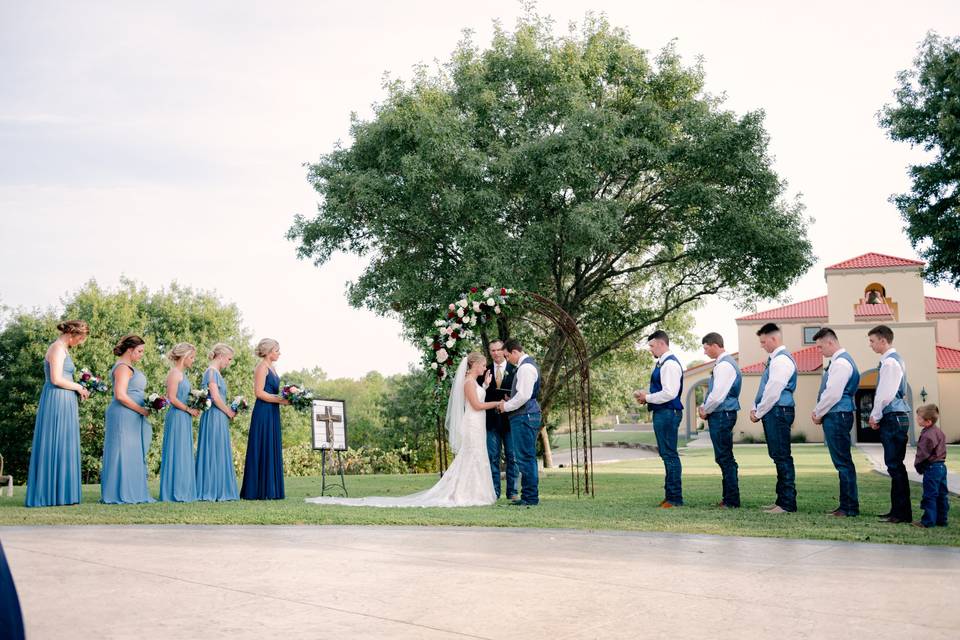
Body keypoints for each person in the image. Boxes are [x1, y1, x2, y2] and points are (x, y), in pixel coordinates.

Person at [305, 351, 498, 507]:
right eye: (482, 364)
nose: (484, 367)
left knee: (477, 456)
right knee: (472, 456)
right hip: (473, 423)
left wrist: (487, 386)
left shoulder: (475, 383)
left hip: (477, 423)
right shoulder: (468, 383)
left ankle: (474, 491)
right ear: (473, 365)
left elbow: (478, 400)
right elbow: (477, 405)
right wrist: (497, 403)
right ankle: (464, 494)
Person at [25, 320, 90, 507]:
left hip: (65, 400)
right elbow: (55, 379)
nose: (80, 342)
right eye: (80, 338)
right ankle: (50, 494)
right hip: (56, 400)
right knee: (55, 441)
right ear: (72, 334)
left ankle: (63, 493)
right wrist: (78, 386)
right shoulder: (57, 348)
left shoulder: (63, 349)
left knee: (64, 443)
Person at [811, 328, 861, 517]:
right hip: (840, 413)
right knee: (843, 461)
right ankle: (846, 505)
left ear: (830, 342)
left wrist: (818, 412)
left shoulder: (840, 364)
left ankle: (848, 507)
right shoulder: (842, 361)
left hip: (837, 414)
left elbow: (833, 394)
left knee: (842, 462)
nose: (819, 350)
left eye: (820, 346)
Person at [101, 334, 155, 504]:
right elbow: (120, 395)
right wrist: (141, 410)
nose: (141, 354)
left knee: (132, 452)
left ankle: (132, 489)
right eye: (139, 351)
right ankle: (119, 492)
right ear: (130, 350)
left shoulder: (128, 366)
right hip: (123, 414)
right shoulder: (123, 367)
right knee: (121, 452)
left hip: (132, 415)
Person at [749, 323, 797, 514]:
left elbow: (773, 390)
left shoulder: (781, 361)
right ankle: (781, 500)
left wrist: (759, 411)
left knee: (782, 456)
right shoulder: (775, 359)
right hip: (775, 411)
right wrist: (756, 407)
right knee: (778, 456)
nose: (762, 345)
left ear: (774, 339)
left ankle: (787, 503)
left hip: (777, 411)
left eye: (763, 342)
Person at [867, 324, 912, 523]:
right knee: (895, 466)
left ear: (883, 340)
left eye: (872, 341)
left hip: (892, 417)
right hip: (897, 416)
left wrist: (875, 416)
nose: (871, 345)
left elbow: (885, 395)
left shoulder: (890, 364)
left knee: (895, 466)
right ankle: (897, 511)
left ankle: (901, 514)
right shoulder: (895, 360)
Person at [635, 330, 684, 508]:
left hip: (668, 413)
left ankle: (674, 498)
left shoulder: (669, 364)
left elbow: (669, 393)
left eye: (652, 346)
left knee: (670, 455)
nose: (650, 349)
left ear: (662, 344)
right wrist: (646, 396)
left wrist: (647, 397)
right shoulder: (662, 363)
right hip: (664, 412)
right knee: (666, 455)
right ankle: (670, 495)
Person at [241, 338, 290, 500]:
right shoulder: (261, 367)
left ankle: (271, 489)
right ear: (269, 352)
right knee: (262, 445)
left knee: (271, 445)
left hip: (273, 411)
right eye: (277, 350)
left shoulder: (273, 368)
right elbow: (259, 393)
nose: (279, 353)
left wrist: (287, 397)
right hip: (263, 412)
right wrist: (281, 400)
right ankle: (257, 490)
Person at [697, 332, 741, 509]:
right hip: (723, 413)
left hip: (722, 414)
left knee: (724, 457)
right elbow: (714, 393)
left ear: (715, 345)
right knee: (724, 457)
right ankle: (729, 498)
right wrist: (704, 406)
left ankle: (731, 500)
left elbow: (717, 396)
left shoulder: (724, 365)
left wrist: (705, 410)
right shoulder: (724, 364)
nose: (705, 352)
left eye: (706, 348)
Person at [498, 339, 543, 506]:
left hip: (524, 416)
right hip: (526, 415)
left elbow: (524, 396)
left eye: (507, 356)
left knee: (525, 457)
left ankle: (530, 497)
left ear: (515, 352)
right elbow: (524, 394)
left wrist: (506, 406)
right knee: (526, 457)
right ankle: (528, 496)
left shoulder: (525, 368)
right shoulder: (526, 367)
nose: (507, 359)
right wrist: (511, 399)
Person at [195, 343, 240, 502]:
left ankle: (218, 487)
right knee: (213, 449)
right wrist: (228, 411)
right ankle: (211, 489)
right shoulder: (211, 372)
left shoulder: (216, 373)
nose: (229, 362)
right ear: (220, 356)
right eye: (228, 359)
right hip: (214, 416)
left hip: (218, 416)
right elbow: (214, 396)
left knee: (218, 449)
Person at [159, 342, 200, 502]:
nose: (193, 360)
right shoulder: (175, 373)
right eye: (192, 357)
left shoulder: (182, 374)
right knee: (177, 450)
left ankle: (184, 488)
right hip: (177, 416)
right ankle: (174, 491)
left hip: (184, 416)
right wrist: (188, 409)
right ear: (184, 357)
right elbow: (171, 397)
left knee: (183, 450)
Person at [482, 339, 518, 500]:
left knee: (512, 456)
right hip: (490, 421)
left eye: (498, 350)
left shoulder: (515, 370)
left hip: (510, 421)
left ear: (504, 350)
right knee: (492, 457)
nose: (495, 353)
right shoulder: (485, 371)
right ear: (489, 352)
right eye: (492, 350)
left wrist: (511, 398)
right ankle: (494, 492)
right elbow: (480, 394)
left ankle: (513, 492)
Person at [912, 404, 948, 528]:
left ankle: (928, 521)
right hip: (941, 467)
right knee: (942, 494)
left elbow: (923, 454)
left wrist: (918, 466)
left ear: (928, 421)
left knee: (930, 495)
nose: (917, 419)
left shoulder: (928, 435)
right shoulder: (939, 432)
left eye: (919, 418)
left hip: (932, 468)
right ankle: (942, 520)